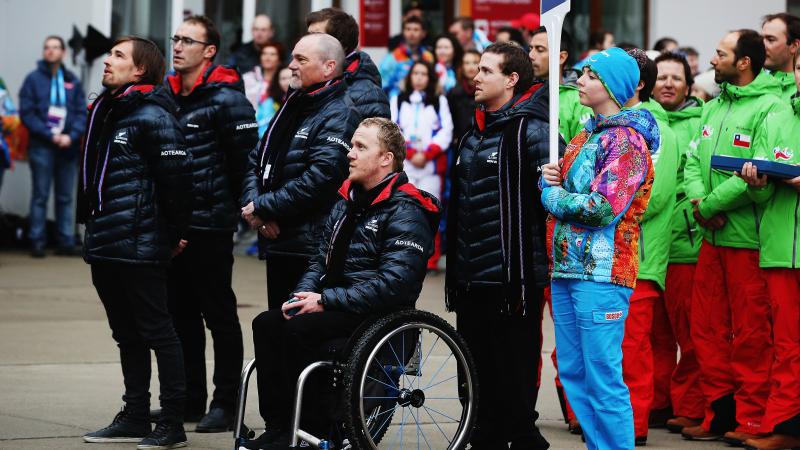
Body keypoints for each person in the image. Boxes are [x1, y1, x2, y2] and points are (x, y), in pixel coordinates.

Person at [242, 117, 440, 449]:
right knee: (269, 322)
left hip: (379, 316)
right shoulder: (347, 202)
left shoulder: (407, 210)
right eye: (351, 144)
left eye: (361, 147)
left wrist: (325, 300)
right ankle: (281, 428)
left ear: (385, 159)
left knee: (299, 332)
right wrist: (300, 296)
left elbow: (395, 285)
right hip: (339, 305)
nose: (350, 153)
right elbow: (320, 260)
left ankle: (314, 432)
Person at [541, 47, 658, 450]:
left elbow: (603, 207)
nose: (581, 81)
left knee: (603, 375)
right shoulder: (587, 133)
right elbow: (568, 185)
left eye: (590, 75)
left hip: (603, 274)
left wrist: (550, 195)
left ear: (612, 85)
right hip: (567, 269)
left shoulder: (626, 142)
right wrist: (553, 175)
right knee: (574, 371)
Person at [78, 36, 193, 448]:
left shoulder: (153, 115)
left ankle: (173, 422)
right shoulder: (107, 109)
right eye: (110, 54)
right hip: (105, 240)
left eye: (118, 56)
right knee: (126, 333)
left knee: (158, 331)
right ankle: (135, 415)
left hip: (140, 242)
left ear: (140, 69)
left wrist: (177, 233)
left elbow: (178, 183)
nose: (108, 61)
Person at [446, 41, 560, 450]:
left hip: (514, 281)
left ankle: (523, 441)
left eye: (486, 71)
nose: (475, 77)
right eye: (476, 69)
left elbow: (553, 203)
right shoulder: (471, 134)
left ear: (512, 80)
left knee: (512, 379)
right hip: (471, 275)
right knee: (474, 376)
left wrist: (554, 179)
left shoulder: (535, 131)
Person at [680, 30, 786, 445]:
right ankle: (718, 415)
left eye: (721, 53)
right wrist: (698, 201)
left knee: (750, 335)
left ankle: (753, 419)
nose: (713, 58)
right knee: (706, 330)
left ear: (744, 62)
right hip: (710, 239)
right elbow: (692, 161)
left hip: (745, 241)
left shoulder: (770, 107)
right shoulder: (712, 106)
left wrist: (710, 207)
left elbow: (759, 172)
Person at [162, 15, 259, 432]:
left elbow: (244, 163)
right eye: (176, 38)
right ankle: (188, 400)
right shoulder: (166, 94)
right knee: (180, 312)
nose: (178, 46)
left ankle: (225, 402)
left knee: (217, 313)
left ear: (209, 50)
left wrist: (239, 212)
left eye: (188, 40)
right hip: (176, 223)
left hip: (212, 223)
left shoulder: (227, 98)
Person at [241, 33, 361, 311]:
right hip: (279, 239)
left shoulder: (339, 113)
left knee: (297, 333)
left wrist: (264, 206)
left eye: (301, 59)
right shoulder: (292, 105)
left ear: (329, 67)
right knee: (277, 332)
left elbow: (321, 178)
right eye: (292, 57)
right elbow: (254, 161)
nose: (291, 65)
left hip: (310, 248)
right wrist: (257, 212)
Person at [735, 52, 800, 450]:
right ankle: (786, 428)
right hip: (779, 249)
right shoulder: (777, 117)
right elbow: (759, 198)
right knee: (786, 344)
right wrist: (757, 184)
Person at [620, 48, 679, 445]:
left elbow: (654, 197)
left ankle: (635, 428)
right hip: (612, 257)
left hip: (641, 257)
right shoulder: (605, 124)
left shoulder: (659, 128)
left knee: (633, 349)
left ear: (636, 83)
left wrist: (601, 204)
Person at [652, 51, 707, 434]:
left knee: (690, 335)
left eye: (676, 77)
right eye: (662, 77)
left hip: (688, 247)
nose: (668, 83)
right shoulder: (641, 121)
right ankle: (655, 402)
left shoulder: (702, 121)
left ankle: (687, 406)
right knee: (653, 335)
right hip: (649, 249)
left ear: (689, 85)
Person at [18, 35, 86, 257]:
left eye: (55, 47)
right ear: (43, 52)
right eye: (47, 47)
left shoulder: (72, 80)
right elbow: (27, 113)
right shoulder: (33, 79)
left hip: (68, 146)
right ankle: (37, 241)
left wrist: (71, 135)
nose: (50, 51)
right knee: (40, 195)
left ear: (63, 52)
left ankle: (65, 241)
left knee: (65, 196)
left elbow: (80, 112)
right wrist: (50, 135)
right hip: (42, 146)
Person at [391, 60, 452, 271]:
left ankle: (431, 259)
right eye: (415, 73)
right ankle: (403, 258)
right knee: (403, 210)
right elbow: (392, 128)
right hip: (405, 164)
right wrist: (409, 150)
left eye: (423, 74)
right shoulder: (398, 100)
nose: (419, 77)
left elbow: (447, 132)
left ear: (430, 78)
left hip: (430, 166)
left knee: (430, 210)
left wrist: (427, 153)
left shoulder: (439, 101)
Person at [307, 7, 391, 120]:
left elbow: (375, 137)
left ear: (340, 44)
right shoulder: (306, 81)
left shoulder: (368, 94)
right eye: (308, 36)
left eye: (316, 36)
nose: (306, 42)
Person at [529, 26, 592, 143]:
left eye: (539, 49)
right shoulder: (520, 93)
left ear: (561, 57)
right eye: (530, 48)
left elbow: (582, 153)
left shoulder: (579, 99)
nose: (531, 55)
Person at [380, 16, 434, 98]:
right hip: (397, 103)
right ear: (403, 32)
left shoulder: (428, 56)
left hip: (424, 102)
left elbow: (432, 82)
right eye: (408, 29)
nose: (411, 33)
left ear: (423, 33)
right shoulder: (393, 57)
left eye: (416, 29)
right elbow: (382, 85)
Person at [242, 43, 285, 136]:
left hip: (277, 131)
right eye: (264, 53)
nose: (267, 57)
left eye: (272, 54)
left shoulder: (286, 80)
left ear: (280, 59)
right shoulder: (248, 78)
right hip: (250, 129)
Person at [762, 13, 800, 100]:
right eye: (761, 39)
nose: (762, 45)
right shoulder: (753, 86)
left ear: (794, 45)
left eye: (770, 40)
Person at [446, 49, 480, 146]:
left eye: (475, 62)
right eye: (467, 63)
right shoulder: (454, 92)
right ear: (462, 66)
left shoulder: (488, 91)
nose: (471, 67)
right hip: (459, 141)